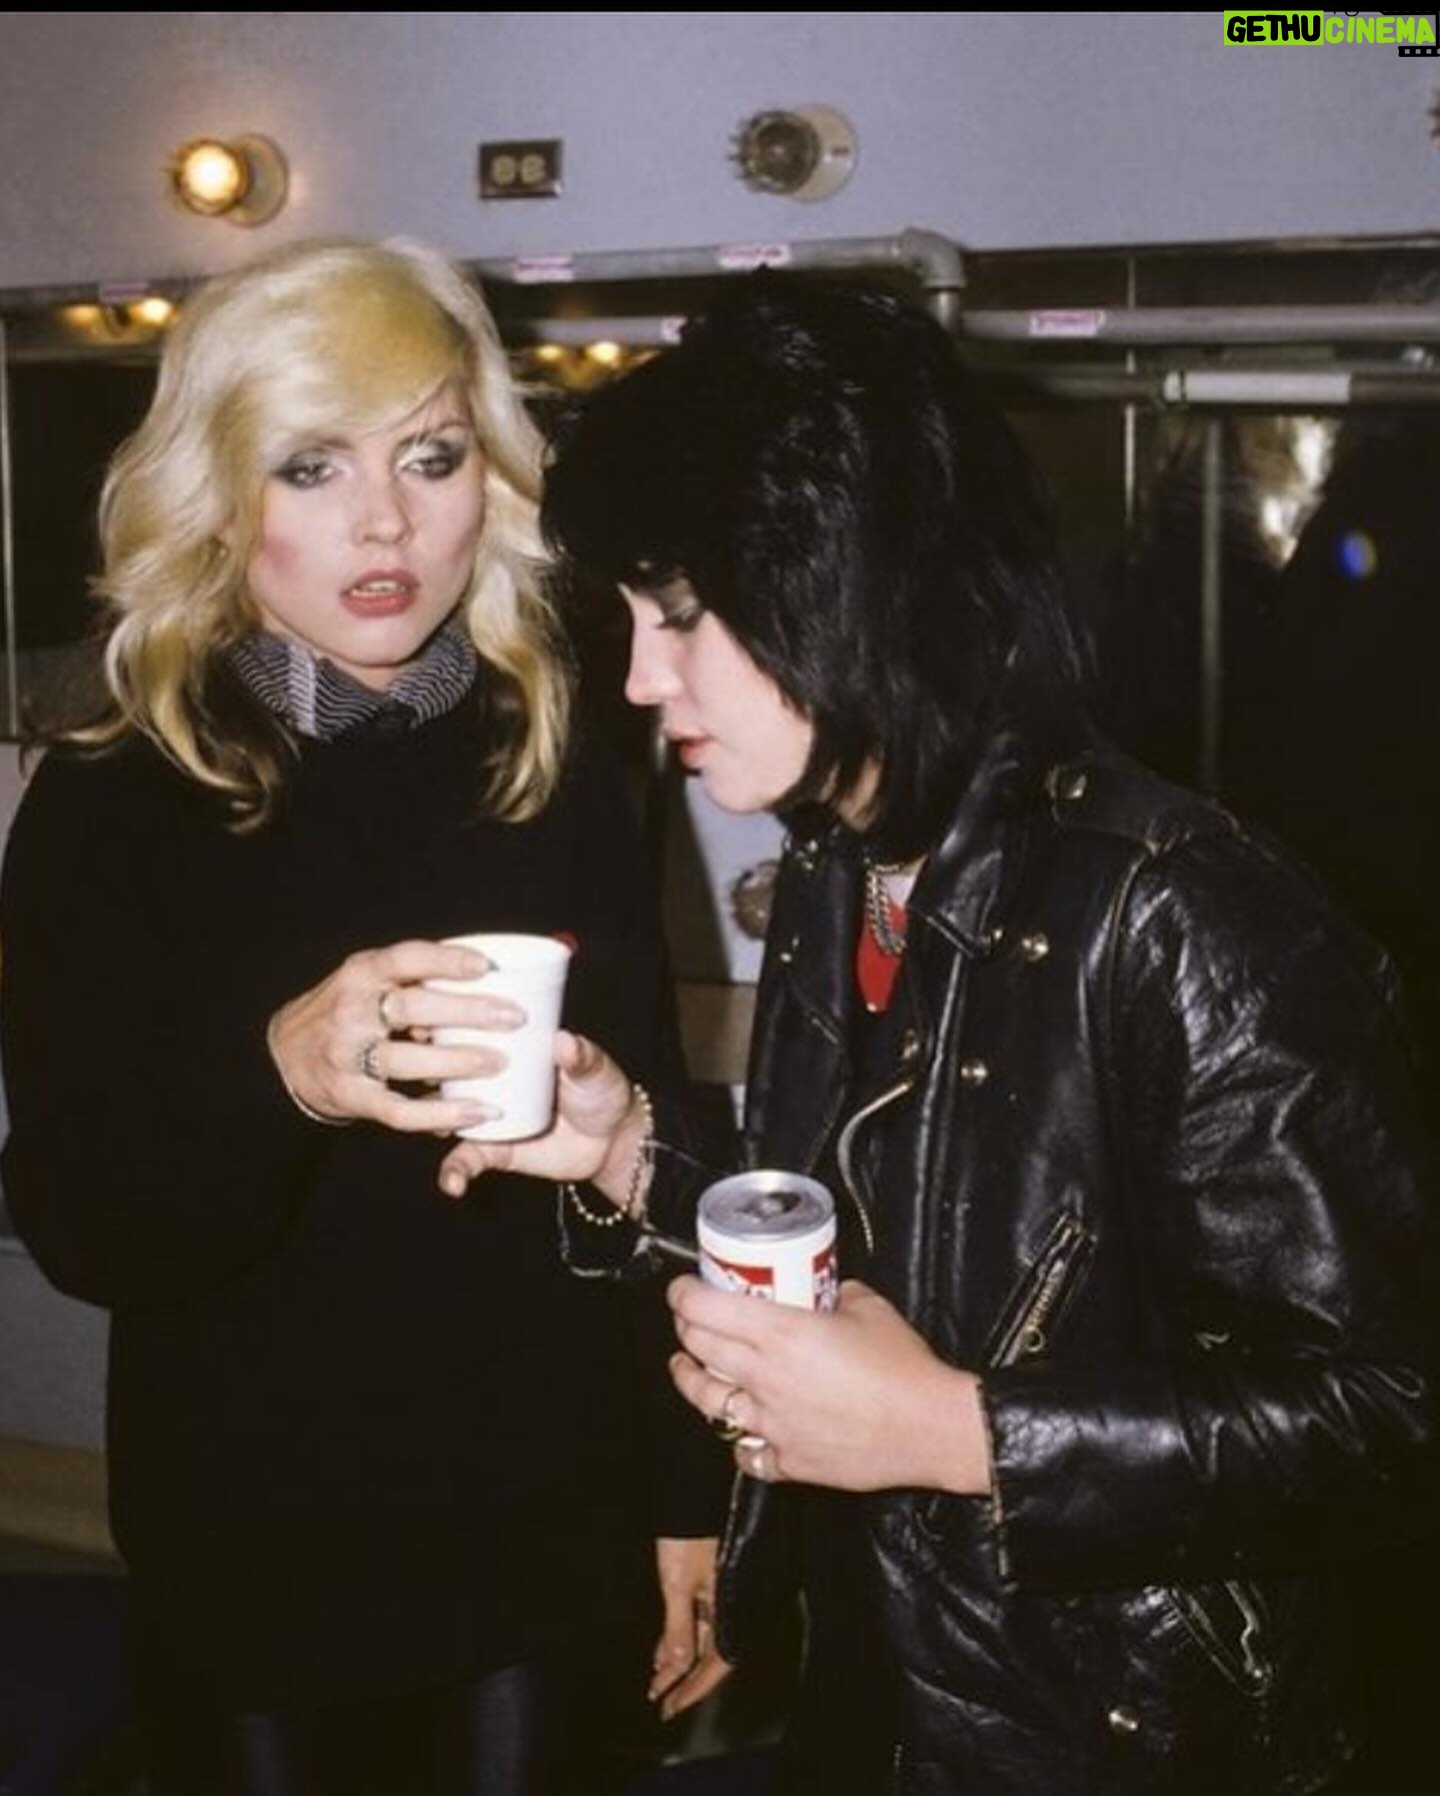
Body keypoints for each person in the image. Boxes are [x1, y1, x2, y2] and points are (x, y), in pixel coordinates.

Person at [441, 279, 1437, 1795]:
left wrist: (952, 1431)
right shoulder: (837, 873)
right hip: (881, 1679)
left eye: (681, 615)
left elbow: (1390, 1419)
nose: (640, 679)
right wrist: (631, 1151)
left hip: (1122, 1738)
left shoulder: (1184, 915)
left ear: (845, 580)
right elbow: (879, 1243)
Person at [0, 238, 726, 1796]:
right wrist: (278, 1079)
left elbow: (653, 1152)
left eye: (432, 458)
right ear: (221, 496)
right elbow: (80, 1225)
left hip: (547, 1517)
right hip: (256, 1538)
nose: (386, 522)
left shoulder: (560, 763)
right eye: (313, 465)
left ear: (494, 481)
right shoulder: (116, 796)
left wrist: (691, 1496)